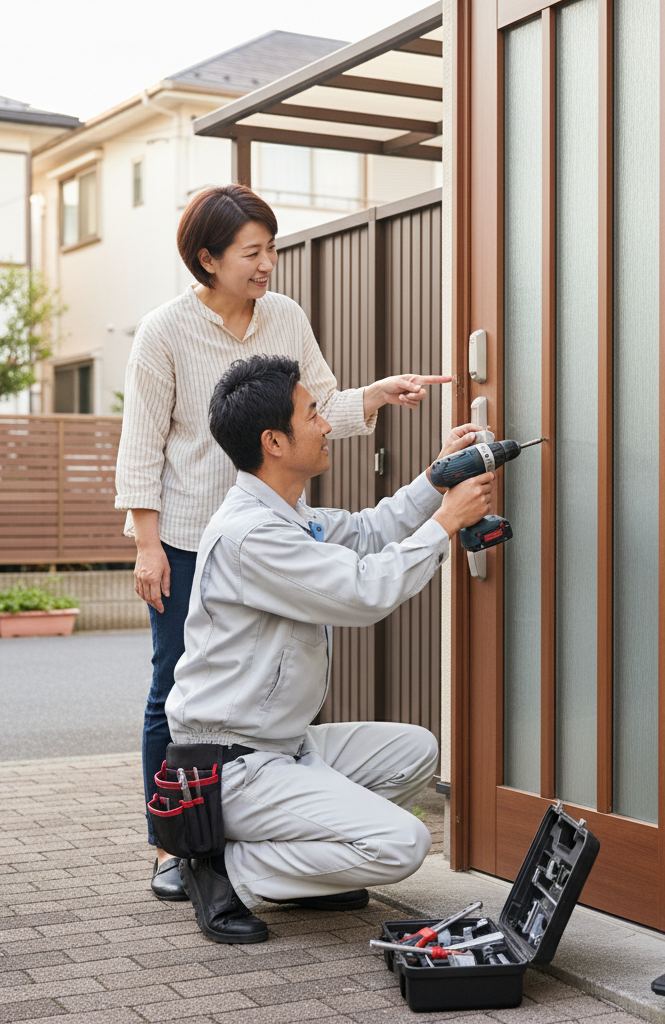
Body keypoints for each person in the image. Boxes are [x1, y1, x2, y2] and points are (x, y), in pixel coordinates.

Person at [113, 184, 449, 902]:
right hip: (189, 540)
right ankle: (179, 844)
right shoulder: (165, 330)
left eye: (272, 248)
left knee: (277, 676)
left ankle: (287, 823)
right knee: (176, 692)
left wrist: (379, 395)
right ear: (208, 258)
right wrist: (147, 546)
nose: (268, 264)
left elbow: (315, 407)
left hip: (278, 524)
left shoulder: (285, 316)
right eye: (252, 252)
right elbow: (140, 446)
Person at [164, 353, 494, 943]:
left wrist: (436, 478)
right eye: (313, 413)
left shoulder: (288, 514)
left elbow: (369, 531)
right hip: (234, 766)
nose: (325, 424)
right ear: (274, 442)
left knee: (414, 750)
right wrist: (446, 524)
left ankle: (306, 872)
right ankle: (221, 870)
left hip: (284, 746)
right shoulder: (252, 536)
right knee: (403, 842)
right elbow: (365, 592)